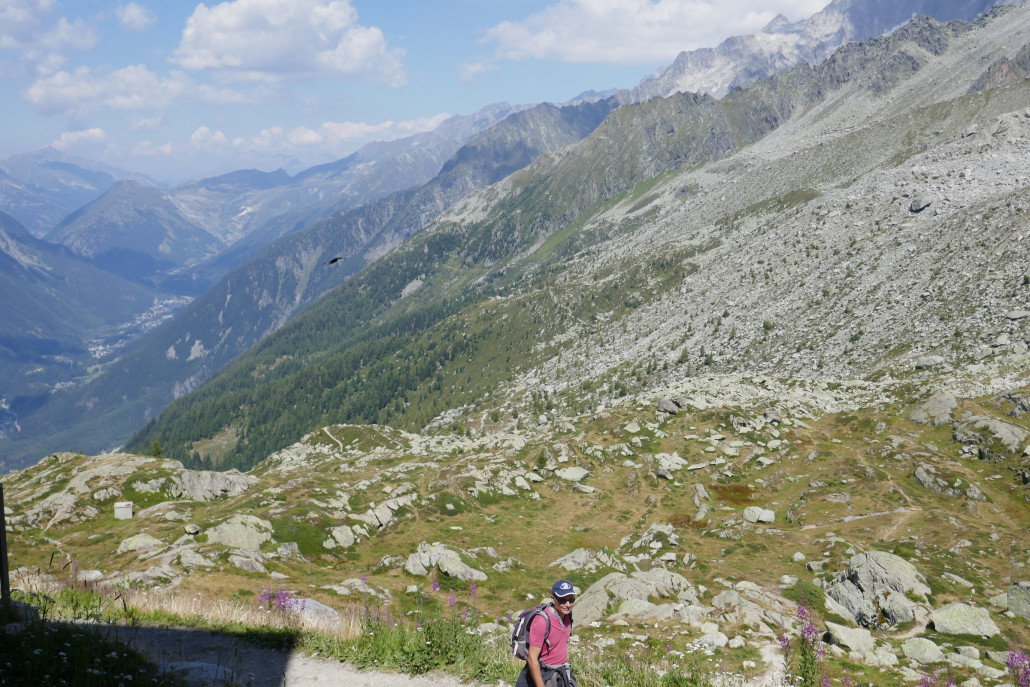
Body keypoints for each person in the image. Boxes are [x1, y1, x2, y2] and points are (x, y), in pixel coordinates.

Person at [517, 580, 578, 687]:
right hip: (543, 674)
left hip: (561, 672)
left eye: (571, 600)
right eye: (562, 600)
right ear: (553, 599)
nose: (568, 605)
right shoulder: (541, 621)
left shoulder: (568, 616)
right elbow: (532, 658)